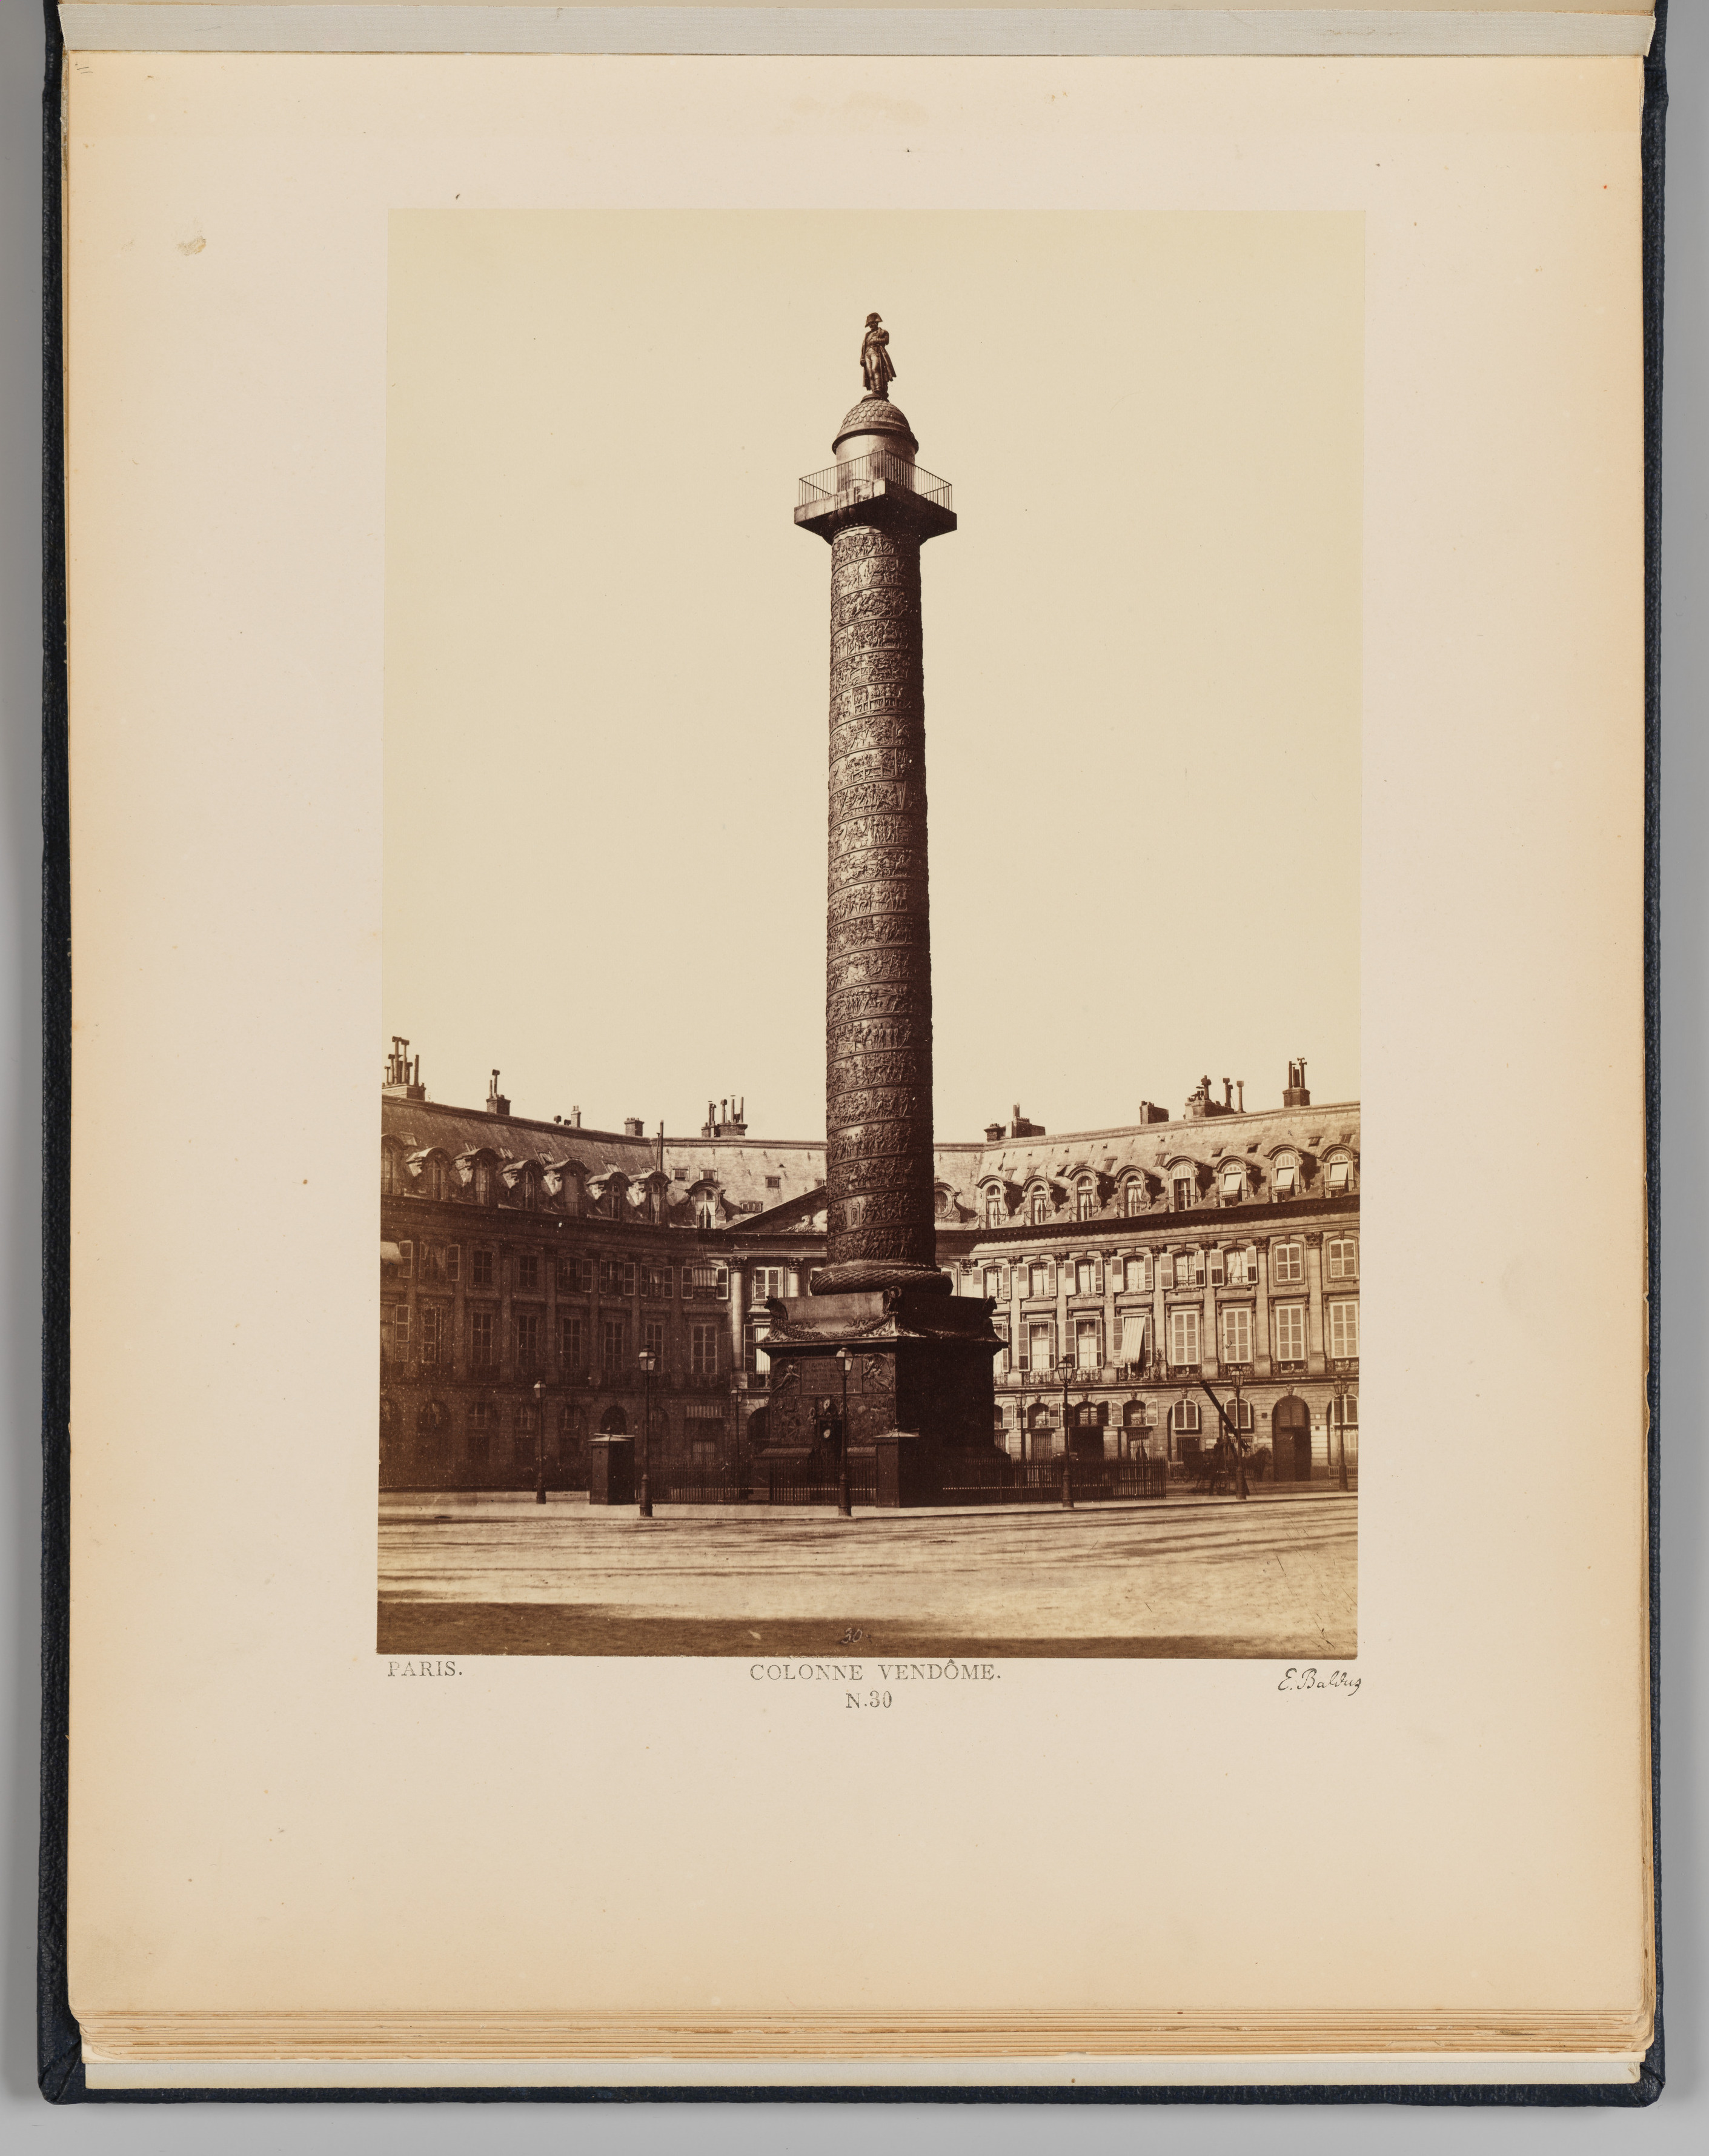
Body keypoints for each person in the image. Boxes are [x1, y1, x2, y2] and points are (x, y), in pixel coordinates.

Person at [860, 313, 896, 399]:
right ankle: (874, 390)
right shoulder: (867, 335)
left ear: (876, 323)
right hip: (867, 354)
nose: (871, 326)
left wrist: (877, 340)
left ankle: (879, 389)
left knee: (875, 369)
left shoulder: (883, 332)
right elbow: (864, 347)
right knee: (870, 373)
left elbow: (886, 341)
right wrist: (862, 358)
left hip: (876, 352)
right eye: (870, 324)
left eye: (872, 323)